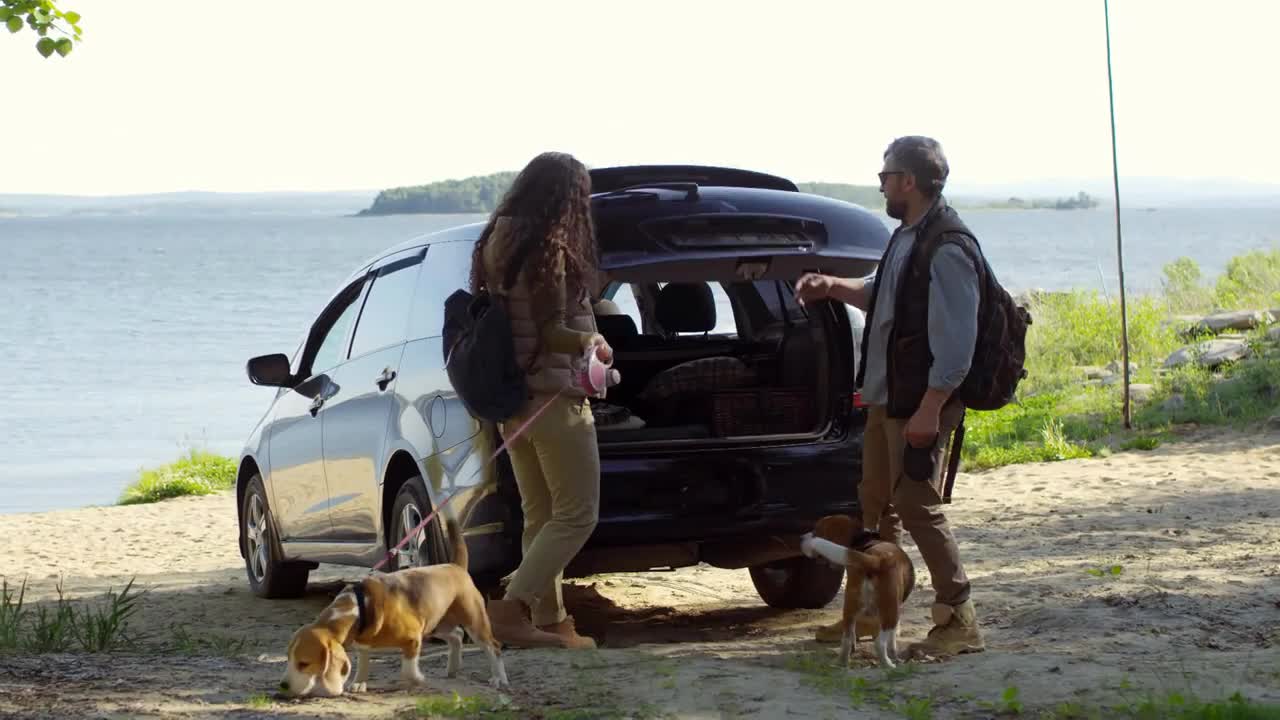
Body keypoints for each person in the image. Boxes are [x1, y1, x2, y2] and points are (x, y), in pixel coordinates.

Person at [795, 136, 985, 657]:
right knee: (877, 504)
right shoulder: (908, 238)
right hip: (887, 399)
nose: (880, 183)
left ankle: (958, 618)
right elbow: (880, 295)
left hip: (920, 402)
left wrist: (931, 406)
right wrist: (832, 285)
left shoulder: (947, 245)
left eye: (885, 176)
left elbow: (957, 338)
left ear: (908, 181)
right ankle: (877, 613)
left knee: (918, 505)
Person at [470, 151, 612, 650]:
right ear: (564, 197)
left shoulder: (496, 244)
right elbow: (553, 331)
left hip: (516, 403)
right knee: (578, 514)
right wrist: (592, 344)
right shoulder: (547, 248)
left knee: (542, 515)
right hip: (556, 401)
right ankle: (510, 609)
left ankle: (551, 622)